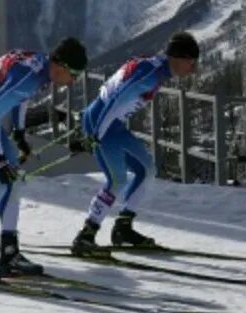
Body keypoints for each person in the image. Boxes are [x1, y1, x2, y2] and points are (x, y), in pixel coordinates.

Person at [0, 37, 88, 281]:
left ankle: (9, 253)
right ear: (60, 65)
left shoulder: (41, 68)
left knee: (13, 181)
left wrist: (20, 132)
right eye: (73, 74)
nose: (73, 81)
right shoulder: (31, 76)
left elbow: (20, 98)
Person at [69, 31, 200, 256]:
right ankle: (86, 235)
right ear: (179, 57)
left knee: (146, 168)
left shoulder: (156, 68)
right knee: (117, 178)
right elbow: (113, 102)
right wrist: (93, 134)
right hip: (102, 122)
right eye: (192, 62)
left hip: (113, 124)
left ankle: (123, 227)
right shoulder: (148, 74)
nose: (193, 69)